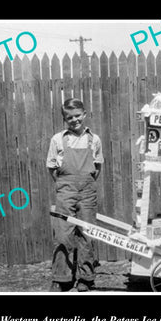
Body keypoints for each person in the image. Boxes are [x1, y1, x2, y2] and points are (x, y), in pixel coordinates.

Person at [46, 98, 103, 292]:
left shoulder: (94, 139)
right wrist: (65, 184)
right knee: (63, 234)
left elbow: (97, 167)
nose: (74, 120)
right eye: (69, 117)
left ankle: (86, 278)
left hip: (87, 191)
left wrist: (85, 183)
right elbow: (52, 167)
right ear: (64, 119)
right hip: (66, 191)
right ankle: (61, 278)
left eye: (77, 115)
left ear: (84, 115)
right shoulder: (57, 139)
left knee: (87, 233)